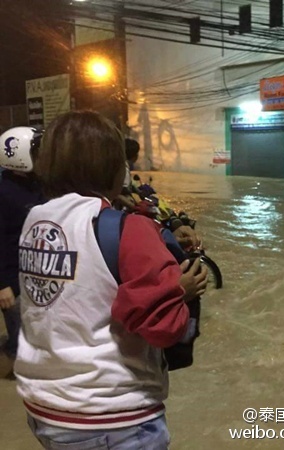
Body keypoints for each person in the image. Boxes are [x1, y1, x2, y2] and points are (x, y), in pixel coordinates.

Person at [15, 111, 208, 449]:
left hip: (44, 407)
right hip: (111, 416)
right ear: (114, 166)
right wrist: (180, 288)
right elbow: (161, 326)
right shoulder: (128, 228)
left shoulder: (36, 220)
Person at [0, 127, 45, 372]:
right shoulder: (4, 193)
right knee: (19, 344)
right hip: (12, 278)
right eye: (36, 152)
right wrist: (2, 285)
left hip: (34, 271)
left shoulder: (37, 185)